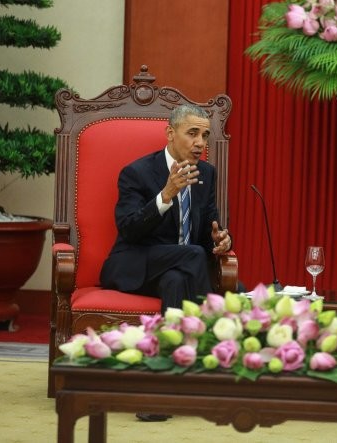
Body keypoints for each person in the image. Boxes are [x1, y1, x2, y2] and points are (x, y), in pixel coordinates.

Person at [100, 104, 232, 422]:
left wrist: (222, 242)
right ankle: (207, 345)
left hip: (178, 270)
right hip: (134, 264)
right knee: (194, 257)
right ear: (170, 134)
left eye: (204, 135)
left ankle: (158, 389)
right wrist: (166, 194)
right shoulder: (137, 172)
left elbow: (208, 229)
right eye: (192, 133)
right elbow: (128, 228)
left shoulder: (206, 175)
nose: (200, 142)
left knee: (179, 274)